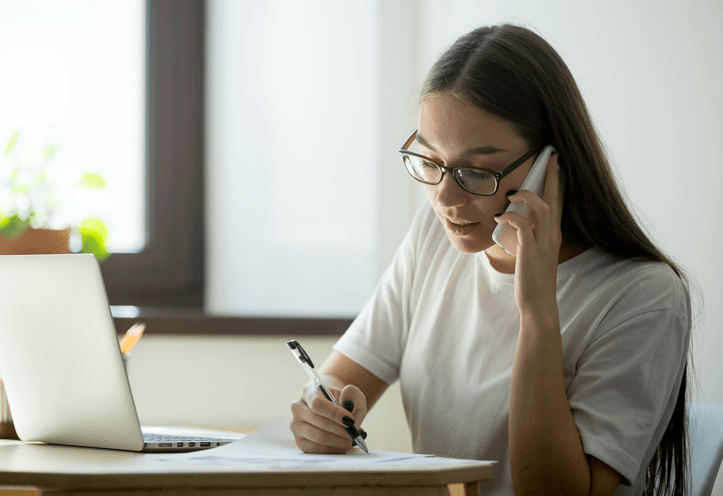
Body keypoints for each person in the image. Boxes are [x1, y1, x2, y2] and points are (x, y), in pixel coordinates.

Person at [289, 24, 693, 496]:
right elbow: (341, 379)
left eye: (476, 172)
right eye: (430, 161)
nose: (445, 199)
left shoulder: (643, 295)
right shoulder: (433, 238)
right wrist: (324, 412)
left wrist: (537, 313)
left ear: (550, 163)